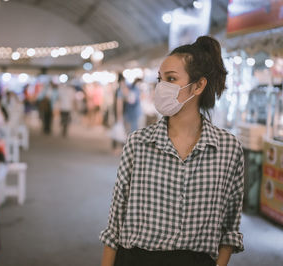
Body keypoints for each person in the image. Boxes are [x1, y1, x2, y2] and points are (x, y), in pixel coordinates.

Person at [100, 36, 244, 266]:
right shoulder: (138, 143)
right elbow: (115, 222)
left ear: (198, 85)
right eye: (160, 79)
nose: (161, 87)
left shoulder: (227, 149)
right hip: (136, 259)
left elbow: (229, 226)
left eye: (171, 79)